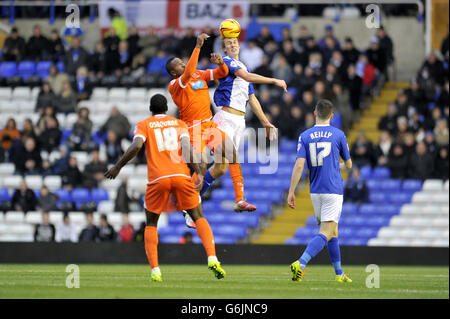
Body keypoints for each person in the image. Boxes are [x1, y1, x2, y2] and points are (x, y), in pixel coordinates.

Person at [104, 93, 226, 282]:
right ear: (167, 109)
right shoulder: (179, 124)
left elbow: (136, 147)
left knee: (151, 223)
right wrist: (200, 173)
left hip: (158, 178)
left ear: (151, 110)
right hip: (180, 175)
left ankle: (155, 270)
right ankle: (212, 257)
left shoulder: (144, 124)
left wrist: (118, 166)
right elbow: (187, 150)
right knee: (198, 216)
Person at [166, 33, 257, 213]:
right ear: (173, 72)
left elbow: (220, 73)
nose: (183, 63)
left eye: (182, 61)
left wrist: (221, 63)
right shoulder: (175, 84)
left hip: (209, 125)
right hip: (193, 129)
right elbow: (189, 72)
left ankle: (240, 199)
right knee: (201, 167)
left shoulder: (198, 74)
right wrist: (198, 46)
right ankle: (187, 204)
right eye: (179, 63)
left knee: (232, 153)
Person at [200, 35, 287, 210]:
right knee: (231, 157)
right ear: (224, 49)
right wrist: (273, 80)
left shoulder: (243, 66)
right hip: (225, 119)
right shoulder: (227, 61)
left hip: (239, 122)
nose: (232, 45)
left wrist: (265, 121)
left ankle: (193, 198)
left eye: (234, 43)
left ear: (239, 46)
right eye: (228, 44)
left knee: (220, 169)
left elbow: (252, 98)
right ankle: (240, 200)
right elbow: (246, 77)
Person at [287, 99, 353, 283]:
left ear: (314, 114)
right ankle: (300, 263)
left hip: (315, 190)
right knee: (326, 230)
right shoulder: (339, 135)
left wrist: (291, 191)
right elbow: (349, 164)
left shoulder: (305, 136)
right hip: (333, 189)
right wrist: (338, 164)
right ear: (332, 116)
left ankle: (339, 274)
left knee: (333, 231)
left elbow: (299, 165)